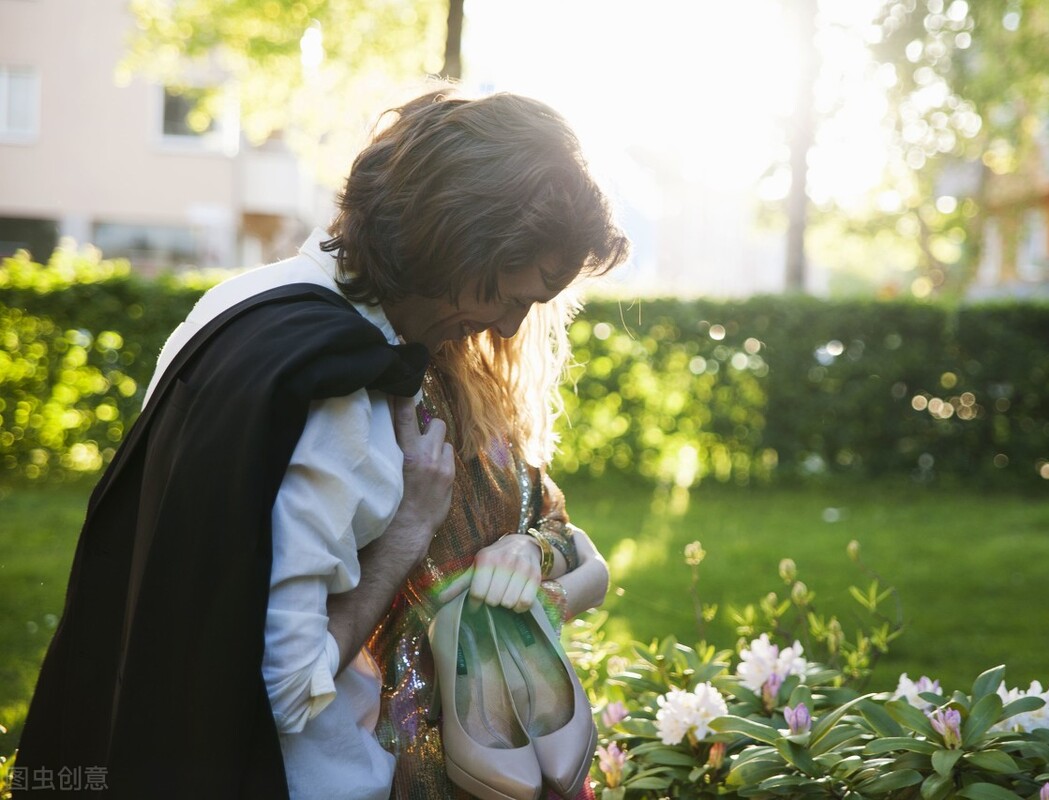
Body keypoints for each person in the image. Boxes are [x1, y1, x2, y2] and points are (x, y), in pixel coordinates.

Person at [17, 87, 628, 800]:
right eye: (509, 296)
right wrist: (408, 532)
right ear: (455, 243)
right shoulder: (346, 390)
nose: (508, 328)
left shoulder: (241, 306)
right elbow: (287, 685)